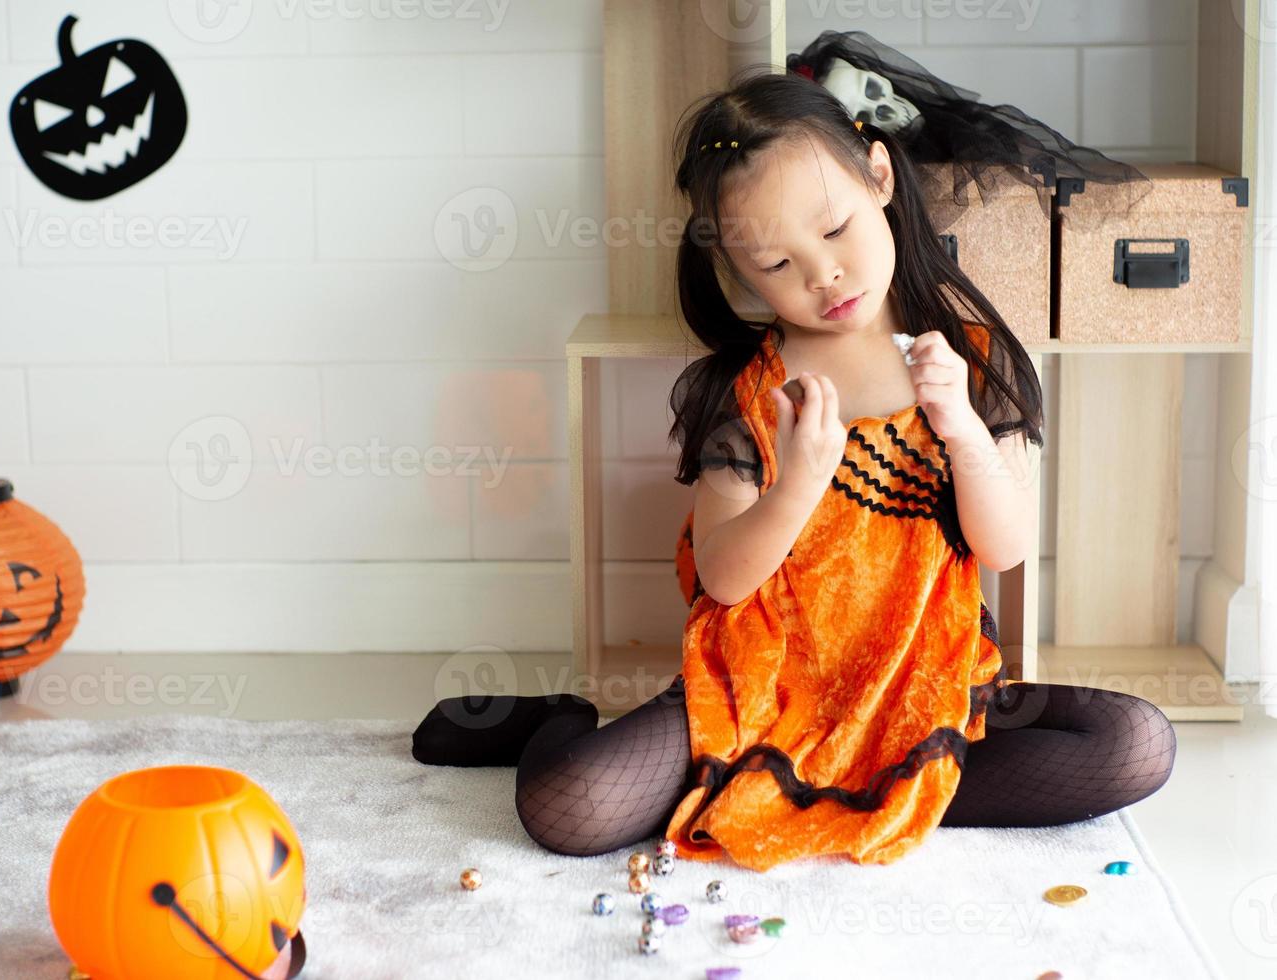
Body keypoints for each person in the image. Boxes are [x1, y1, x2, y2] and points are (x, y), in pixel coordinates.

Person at [412, 65, 1175, 869]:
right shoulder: (744, 391)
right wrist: (800, 482)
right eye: (776, 266)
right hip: (762, 694)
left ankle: (871, 785)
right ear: (737, 271)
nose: (821, 274)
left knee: (1134, 744)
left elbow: (1005, 546)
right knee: (568, 808)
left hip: (919, 686)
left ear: (878, 177)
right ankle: (563, 718)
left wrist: (961, 431)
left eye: (835, 230)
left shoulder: (969, 362)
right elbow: (725, 579)